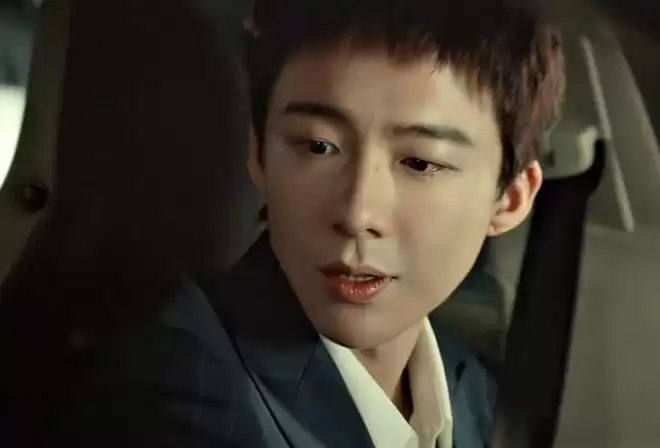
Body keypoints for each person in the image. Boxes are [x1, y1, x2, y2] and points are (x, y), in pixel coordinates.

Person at [49, 0, 565, 447]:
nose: (357, 214)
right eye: (318, 147)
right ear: (258, 153)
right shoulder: (181, 398)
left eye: (420, 163)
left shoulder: (471, 387)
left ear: (511, 197)